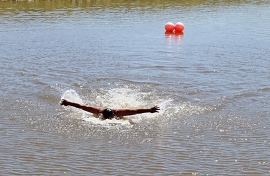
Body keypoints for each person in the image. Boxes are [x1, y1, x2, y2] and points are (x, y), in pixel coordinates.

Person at [60, 99, 160, 120]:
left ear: (113, 114)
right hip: (101, 110)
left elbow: (135, 111)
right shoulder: (98, 111)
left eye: (110, 118)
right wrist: (68, 103)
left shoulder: (119, 113)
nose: (108, 120)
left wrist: (149, 110)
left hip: (118, 112)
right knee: (85, 107)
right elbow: (82, 106)